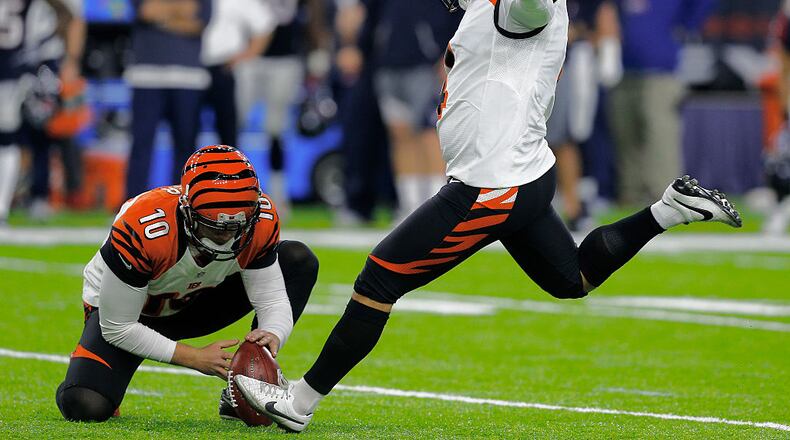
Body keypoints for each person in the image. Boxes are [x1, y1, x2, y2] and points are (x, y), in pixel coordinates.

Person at [233, 0, 742, 432]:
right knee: (574, 278)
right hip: (522, 171)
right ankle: (667, 209)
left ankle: (299, 403)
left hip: (491, 184)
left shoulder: (520, 9)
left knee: (379, 279)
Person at [55, 145, 319, 422]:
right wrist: (194, 357)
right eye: (214, 227)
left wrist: (272, 334)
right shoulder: (145, 227)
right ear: (187, 211)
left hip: (197, 302)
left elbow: (272, 299)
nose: (227, 238)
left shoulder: (261, 220)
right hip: (134, 314)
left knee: (298, 260)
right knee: (84, 404)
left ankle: (244, 389)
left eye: (236, 227)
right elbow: (117, 327)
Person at [608, 0, 714, 204]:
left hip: (661, 69)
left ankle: (666, 196)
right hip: (622, 68)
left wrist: (687, 27)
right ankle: (631, 194)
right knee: (625, 133)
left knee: (660, 134)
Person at [0, 0, 78, 225]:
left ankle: (25, 201)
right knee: (8, 143)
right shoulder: (37, 8)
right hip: (16, 77)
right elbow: (48, 46)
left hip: (15, 78)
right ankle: (3, 208)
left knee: (15, 141)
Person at [124, 0, 212, 200]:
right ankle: (133, 203)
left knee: (186, 147)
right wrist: (179, 11)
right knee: (141, 145)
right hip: (146, 76)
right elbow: (146, 11)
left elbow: (199, 22)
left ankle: (184, 203)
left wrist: (162, 16)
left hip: (188, 77)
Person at [546, 0, 620, 231]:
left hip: (562, 65)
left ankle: (574, 207)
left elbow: (600, 21)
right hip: (528, 62)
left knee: (564, 137)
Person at [23, 0, 86, 219]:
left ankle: (65, 194)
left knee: (55, 129)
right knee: (23, 132)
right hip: (20, 61)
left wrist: (71, 61)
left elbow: (75, 21)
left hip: (50, 63)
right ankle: (32, 194)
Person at [201, 0, 276, 147]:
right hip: (189, 67)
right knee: (185, 130)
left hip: (225, 68)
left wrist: (246, 55)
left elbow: (265, 26)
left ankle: (229, 169)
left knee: (229, 131)